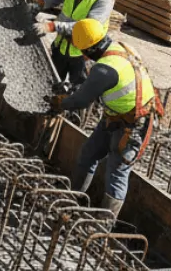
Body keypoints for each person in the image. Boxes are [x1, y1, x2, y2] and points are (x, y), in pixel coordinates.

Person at [49, 17, 159, 218]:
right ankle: (72, 200)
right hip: (114, 118)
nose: (83, 56)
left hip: (134, 125)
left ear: (89, 50)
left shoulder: (104, 69)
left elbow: (80, 101)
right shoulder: (123, 47)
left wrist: (59, 102)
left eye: (83, 52)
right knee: (88, 154)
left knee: (117, 172)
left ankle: (103, 224)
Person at [34, 0, 115, 86]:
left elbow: (88, 28)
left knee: (76, 90)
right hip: (61, 45)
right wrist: (41, 2)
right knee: (51, 84)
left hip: (82, 54)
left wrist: (53, 26)